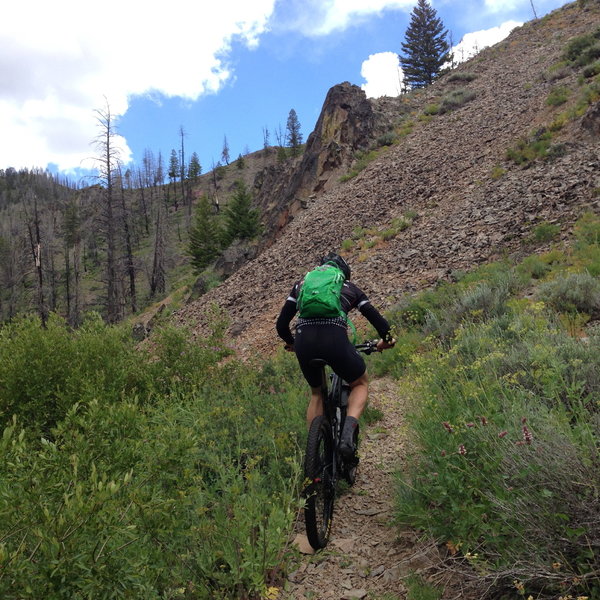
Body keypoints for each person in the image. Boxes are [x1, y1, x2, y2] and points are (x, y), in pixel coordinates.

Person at [276, 252, 395, 461]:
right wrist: (386, 340)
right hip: (334, 339)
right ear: (343, 273)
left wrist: (292, 344)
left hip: (304, 340)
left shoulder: (301, 285)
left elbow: (281, 325)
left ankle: (314, 455)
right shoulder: (349, 288)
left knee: (316, 394)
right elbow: (377, 319)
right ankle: (347, 436)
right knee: (359, 383)